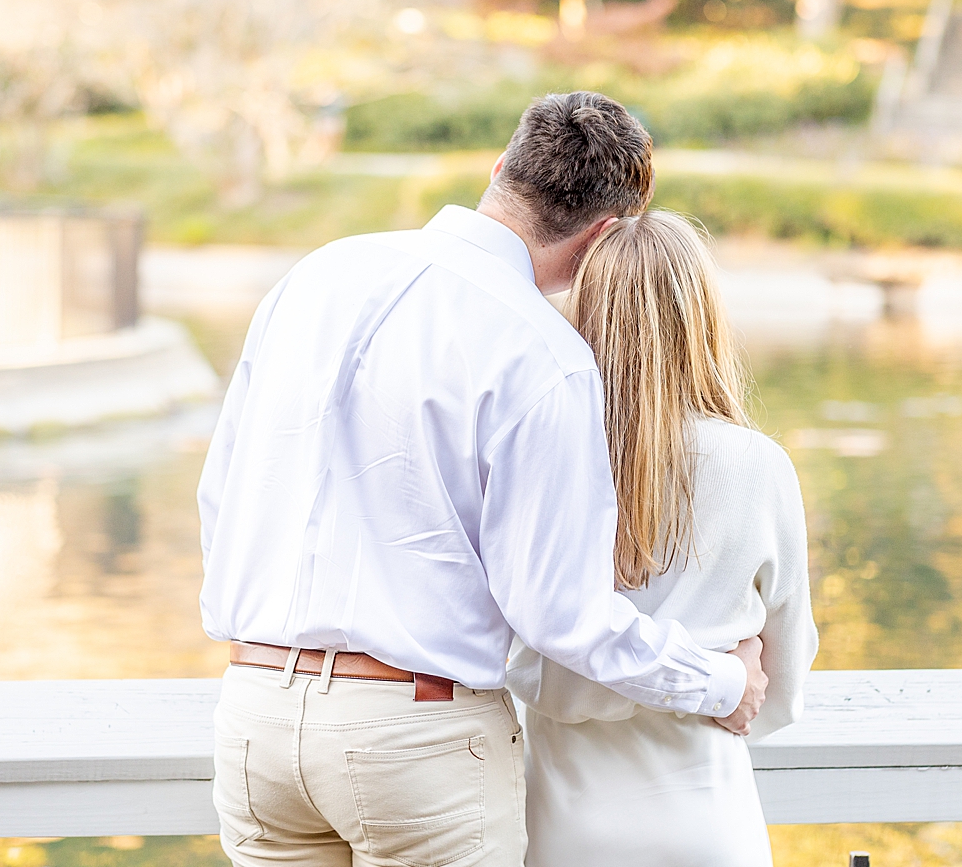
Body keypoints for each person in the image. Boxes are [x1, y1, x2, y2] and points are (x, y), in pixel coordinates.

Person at [197, 91, 768, 867]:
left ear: (500, 168)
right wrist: (721, 684)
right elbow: (559, 614)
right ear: (604, 235)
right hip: (414, 734)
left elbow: (221, 495)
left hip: (252, 714)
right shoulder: (544, 357)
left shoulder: (316, 277)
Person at [508, 211, 819, 867]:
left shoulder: (541, 460)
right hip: (705, 815)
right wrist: (727, 675)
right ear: (702, 317)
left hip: (562, 822)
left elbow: (520, 655)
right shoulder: (758, 467)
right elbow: (782, 689)